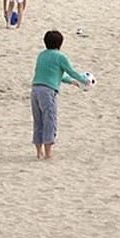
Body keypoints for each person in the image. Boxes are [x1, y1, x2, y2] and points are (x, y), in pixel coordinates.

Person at [31, 30, 89, 160]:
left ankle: (38, 152)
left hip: (35, 89)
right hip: (48, 91)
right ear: (60, 44)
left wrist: (71, 82)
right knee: (49, 120)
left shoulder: (41, 55)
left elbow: (52, 73)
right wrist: (83, 80)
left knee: (38, 121)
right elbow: (71, 71)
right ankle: (48, 153)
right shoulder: (60, 56)